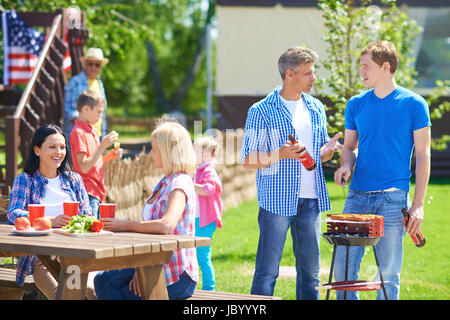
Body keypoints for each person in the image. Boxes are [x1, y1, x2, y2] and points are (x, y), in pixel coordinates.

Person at [240, 46, 342, 300]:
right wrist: (279, 154)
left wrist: (327, 151)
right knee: (267, 272)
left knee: (310, 274)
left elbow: (314, 153)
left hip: (311, 202)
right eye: (308, 73)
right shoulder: (260, 110)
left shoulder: (316, 107)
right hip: (276, 203)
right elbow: (248, 159)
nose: (314, 78)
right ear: (289, 74)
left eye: (313, 72)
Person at [333, 41, 431, 300]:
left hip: (393, 198)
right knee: (342, 273)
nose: (362, 71)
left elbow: (423, 156)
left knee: (388, 276)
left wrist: (417, 205)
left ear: (386, 66)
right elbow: (350, 147)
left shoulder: (414, 104)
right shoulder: (355, 104)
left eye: (367, 66)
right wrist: (345, 165)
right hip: (357, 197)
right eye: (361, 66)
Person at [94, 121, 198, 300]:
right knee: (103, 280)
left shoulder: (179, 183)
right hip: (155, 264)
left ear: (167, 151)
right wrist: (140, 266)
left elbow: (166, 225)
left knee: (120, 291)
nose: (151, 154)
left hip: (177, 276)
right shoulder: (166, 182)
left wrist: (124, 225)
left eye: (154, 149)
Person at [7, 124, 93, 300]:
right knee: (64, 296)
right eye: (52, 147)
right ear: (37, 150)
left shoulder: (74, 180)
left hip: (75, 254)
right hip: (41, 258)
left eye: (62, 147)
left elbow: (88, 215)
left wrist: (80, 223)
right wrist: (48, 221)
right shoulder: (26, 180)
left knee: (92, 293)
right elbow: (13, 213)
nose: (59, 152)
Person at [70, 90, 122, 218]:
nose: (100, 116)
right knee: (90, 232)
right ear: (86, 109)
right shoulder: (78, 132)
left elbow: (94, 163)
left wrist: (110, 156)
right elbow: (84, 167)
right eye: (98, 112)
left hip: (97, 192)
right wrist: (102, 145)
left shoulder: (92, 130)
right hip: (87, 192)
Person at [193, 136, 223, 291]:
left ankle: (209, 288)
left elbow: (208, 189)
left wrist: (191, 185)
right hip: (197, 219)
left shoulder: (209, 172)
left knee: (203, 256)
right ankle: (194, 284)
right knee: (194, 254)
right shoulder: (198, 170)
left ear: (207, 154)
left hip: (204, 221)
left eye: (195, 150)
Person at [63, 47, 109, 142]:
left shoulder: (100, 83)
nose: (93, 67)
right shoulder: (74, 82)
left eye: (97, 65)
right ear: (85, 64)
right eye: (90, 64)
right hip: (79, 137)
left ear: (100, 67)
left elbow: (102, 111)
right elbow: (68, 111)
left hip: (97, 136)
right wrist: (86, 123)